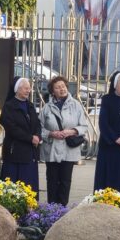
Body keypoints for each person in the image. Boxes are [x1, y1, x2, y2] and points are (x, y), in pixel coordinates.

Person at [39, 75, 88, 205]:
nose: (62, 89)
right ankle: (51, 209)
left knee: (65, 182)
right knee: (52, 181)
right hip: (52, 150)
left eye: (63, 86)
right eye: (58, 87)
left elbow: (84, 126)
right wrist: (51, 134)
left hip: (69, 150)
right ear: (52, 91)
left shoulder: (76, 105)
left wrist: (71, 131)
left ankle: (62, 209)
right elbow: (39, 128)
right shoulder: (47, 108)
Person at [0, 77, 41, 192]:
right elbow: (11, 128)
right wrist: (30, 138)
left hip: (30, 153)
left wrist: (38, 136)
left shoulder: (30, 105)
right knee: (14, 187)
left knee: (29, 186)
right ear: (17, 89)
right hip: (15, 153)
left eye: (29, 88)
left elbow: (37, 124)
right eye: (25, 88)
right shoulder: (9, 106)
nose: (28, 91)